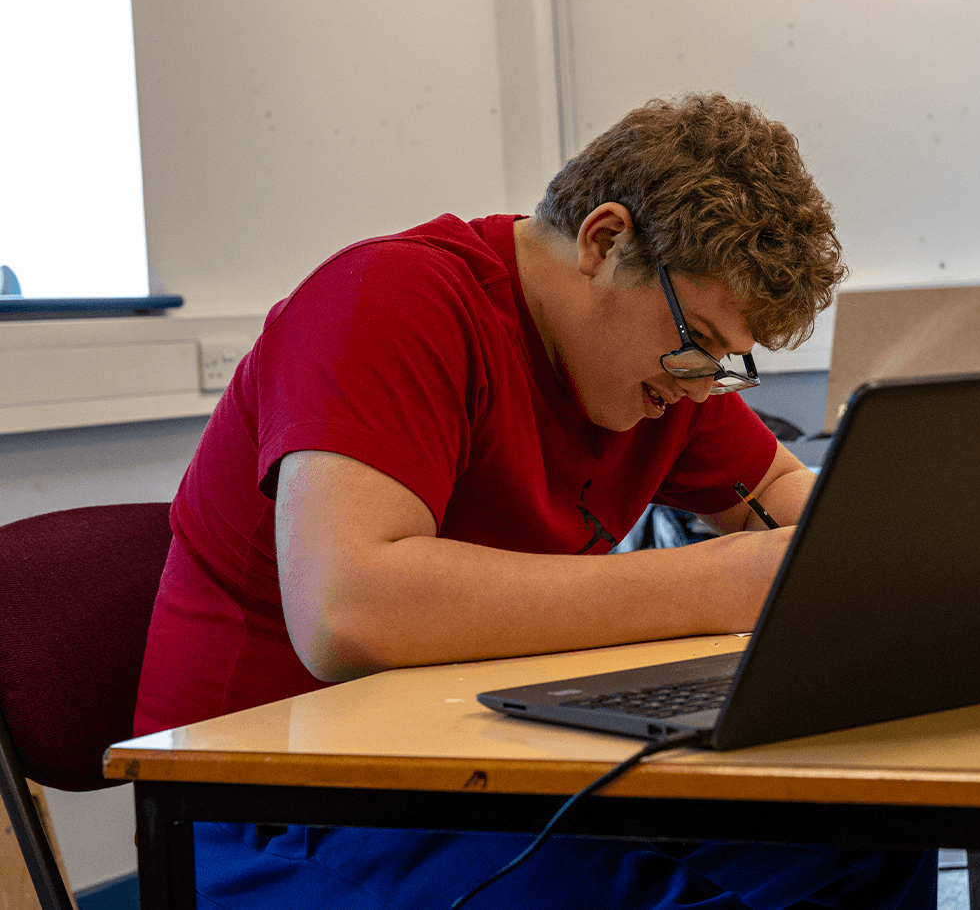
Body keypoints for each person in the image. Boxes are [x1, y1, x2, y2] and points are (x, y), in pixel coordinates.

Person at [133, 93, 938, 909]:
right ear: (604, 240)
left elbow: (774, 493)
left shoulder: (659, 374)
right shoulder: (389, 300)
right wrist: (723, 582)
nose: (701, 386)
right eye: (697, 342)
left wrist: (911, 556)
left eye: (727, 360)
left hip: (491, 761)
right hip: (276, 802)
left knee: (871, 845)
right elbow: (349, 611)